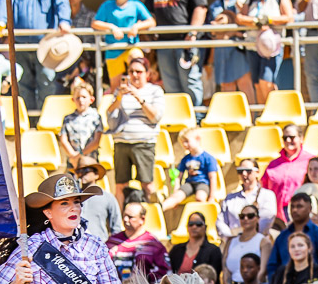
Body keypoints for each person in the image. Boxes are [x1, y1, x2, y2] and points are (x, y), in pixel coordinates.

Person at [0, 0, 69, 111]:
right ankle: (28, 122)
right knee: (22, 82)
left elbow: (62, 3)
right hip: (20, 44)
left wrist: (64, 21)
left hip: (46, 44)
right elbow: (3, 6)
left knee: (47, 80)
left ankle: (44, 119)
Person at [144, 0, 207, 105]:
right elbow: (148, 12)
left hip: (184, 41)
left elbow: (201, 7)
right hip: (164, 42)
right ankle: (178, 119)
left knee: (190, 81)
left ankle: (196, 118)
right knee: (170, 83)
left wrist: (192, 33)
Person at [105, 55, 164, 202]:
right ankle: (118, 223)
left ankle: (150, 219)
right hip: (121, 143)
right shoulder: (120, 92)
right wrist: (118, 97)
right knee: (120, 185)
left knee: (147, 185)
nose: (135, 75)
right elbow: (111, 119)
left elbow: (155, 116)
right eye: (131, 71)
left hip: (143, 143)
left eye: (139, 71)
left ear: (147, 74)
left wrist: (139, 98)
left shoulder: (155, 91)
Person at [236, 0, 293, 104]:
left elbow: (288, 17)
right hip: (253, 46)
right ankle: (263, 116)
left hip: (271, 47)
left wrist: (269, 20)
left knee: (266, 81)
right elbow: (240, 18)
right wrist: (256, 22)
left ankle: (273, 112)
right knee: (257, 83)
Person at [92, 0, 155, 88]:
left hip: (131, 47)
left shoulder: (136, 5)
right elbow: (95, 23)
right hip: (112, 50)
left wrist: (137, 27)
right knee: (115, 87)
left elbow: (151, 22)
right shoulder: (107, 5)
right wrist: (111, 27)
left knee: (137, 63)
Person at [206, 0, 254, 104]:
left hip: (238, 48)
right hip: (221, 49)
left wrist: (228, 30)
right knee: (227, 86)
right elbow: (214, 29)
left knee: (244, 84)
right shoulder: (215, 5)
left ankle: (251, 119)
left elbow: (244, 20)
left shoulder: (243, 0)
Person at [264, 190, 318, 277]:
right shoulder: (282, 236)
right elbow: (272, 266)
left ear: (309, 208)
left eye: (299, 206)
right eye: (292, 206)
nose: (294, 210)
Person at [106, 200, 171, 284]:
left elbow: (165, 274)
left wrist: (143, 281)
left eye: (130, 217)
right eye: (124, 215)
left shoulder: (153, 245)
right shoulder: (112, 242)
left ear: (142, 219)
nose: (125, 219)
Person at [262, 123, 312, 220]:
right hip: (276, 214)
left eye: (292, 137)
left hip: (301, 213)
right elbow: (264, 187)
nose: (288, 140)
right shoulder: (273, 164)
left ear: (301, 138)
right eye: (285, 138)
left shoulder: (310, 161)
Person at [216, 158, 276, 239]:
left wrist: (250, 237)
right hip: (233, 241)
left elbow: (267, 219)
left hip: (258, 241)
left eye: (248, 171)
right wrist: (231, 239)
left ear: (257, 173)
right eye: (240, 171)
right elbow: (220, 222)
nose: (244, 174)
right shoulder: (230, 198)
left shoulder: (267, 195)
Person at [169, 211, 222, 284]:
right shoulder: (176, 250)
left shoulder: (213, 250)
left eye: (198, 224)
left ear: (205, 227)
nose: (194, 227)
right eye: (191, 224)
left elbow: (214, 280)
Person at [167, 126, 217, 212]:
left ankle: (200, 218)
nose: (185, 145)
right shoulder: (185, 159)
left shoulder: (208, 158)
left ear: (197, 139)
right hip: (189, 184)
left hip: (203, 183)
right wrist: (176, 190)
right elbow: (179, 177)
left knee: (200, 197)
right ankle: (161, 207)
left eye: (187, 141)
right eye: (183, 142)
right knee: (176, 197)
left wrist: (212, 196)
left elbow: (212, 177)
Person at [73, 156, 121, 240]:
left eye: (86, 170)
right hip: (75, 247)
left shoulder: (107, 197)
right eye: (79, 171)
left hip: (99, 246)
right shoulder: (72, 197)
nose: (82, 174)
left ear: (96, 174)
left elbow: (116, 228)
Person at [59, 78, 103, 169]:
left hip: (90, 160)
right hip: (72, 161)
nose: (81, 100)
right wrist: (73, 156)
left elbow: (96, 141)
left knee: (89, 181)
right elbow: (63, 140)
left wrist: (80, 155)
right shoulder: (68, 118)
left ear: (91, 99)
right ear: (73, 100)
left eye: (84, 97)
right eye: (77, 97)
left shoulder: (95, 117)